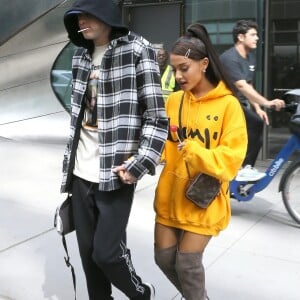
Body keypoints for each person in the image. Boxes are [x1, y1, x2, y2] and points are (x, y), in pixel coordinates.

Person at [61, 0, 168, 299]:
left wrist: (139, 163)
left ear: (105, 13)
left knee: (106, 254)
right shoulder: (81, 56)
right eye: (77, 15)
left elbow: (156, 118)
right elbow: (79, 117)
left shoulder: (137, 50)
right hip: (81, 173)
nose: (81, 20)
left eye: (87, 13)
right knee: (89, 260)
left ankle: (141, 293)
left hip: (116, 173)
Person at [153, 23, 247, 300]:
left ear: (204, 63)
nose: (178, 75)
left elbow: (231, 160)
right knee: (163, 258)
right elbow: (165, 144)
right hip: (170, 195)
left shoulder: (228, 105)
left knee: (187, 265)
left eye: (185, 68)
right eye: (174, 69)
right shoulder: (174, 102)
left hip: (201, 200)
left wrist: (195, 151)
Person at [220, 19, 285, 181]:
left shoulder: (250, 58)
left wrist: (257, 108)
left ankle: (244, 167)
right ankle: (242, 168)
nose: (257, 38)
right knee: (254, 124)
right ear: (241, 37)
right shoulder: (230, 58)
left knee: (256, 122)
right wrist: (267, 103)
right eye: (253, 35)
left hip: (234, 103)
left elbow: (248, 84)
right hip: (221, 104)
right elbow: (241, 86)